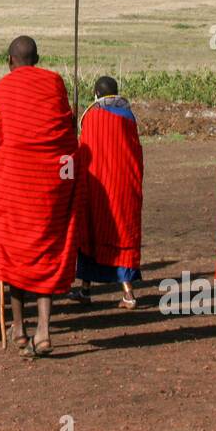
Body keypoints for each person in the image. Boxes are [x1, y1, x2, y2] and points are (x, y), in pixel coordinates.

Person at [0, 36, 84, 358]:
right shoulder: (54, 82)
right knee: (47, 249)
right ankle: (43, 330)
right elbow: (67, 138)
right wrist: (68, 180)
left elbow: (0, 137)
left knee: (14, 252)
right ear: (37, 58)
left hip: (14, 183)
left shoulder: (5, 87)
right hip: (51, 182)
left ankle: (19, 327)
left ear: (10, 60)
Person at [74, 75, 144, 309]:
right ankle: (124, 293)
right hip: (125, 186)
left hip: (99, 188)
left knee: (92, 233)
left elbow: (85, 155)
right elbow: (135, 153)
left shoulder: (93, 117)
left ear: (96, 95)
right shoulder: (129, 117)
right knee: (121, 235)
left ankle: (90, 290)